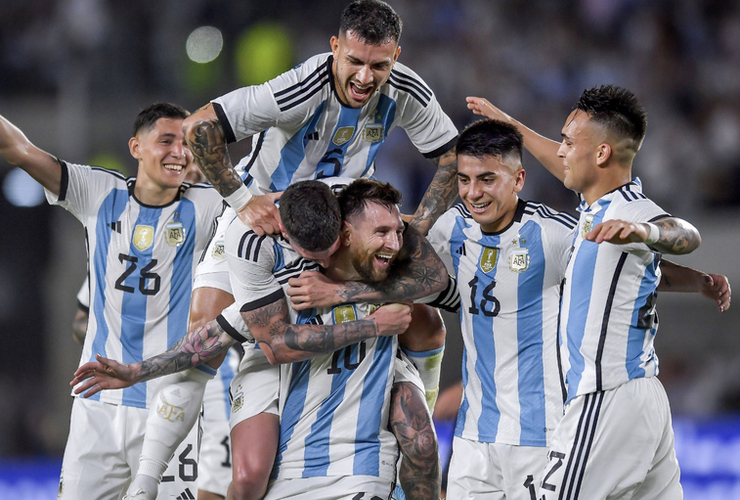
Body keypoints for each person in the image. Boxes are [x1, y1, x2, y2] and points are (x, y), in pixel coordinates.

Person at [72, 179, 456, 500]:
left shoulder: (369, 216)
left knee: (421, 420)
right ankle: (147, 480)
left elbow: (435, 282)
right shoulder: (259, 250)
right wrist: (136, 371)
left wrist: (343, 293)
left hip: (358, 421)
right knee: (249, 477)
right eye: (312, 252)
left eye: (395, 233)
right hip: (271, 341)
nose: (320, 260)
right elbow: (240, 338)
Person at [466, 85, 704, 498]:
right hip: (644, 396)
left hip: (603, 397)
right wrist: (509, 125)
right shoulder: (595, 208)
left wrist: (646, 230)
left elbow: (685, 233)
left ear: (601, 154)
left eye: (568, 141)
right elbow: (644, 270)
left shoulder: (629, 211)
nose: (560, 150)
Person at [0, 103, 225, 500]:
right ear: (136, 147)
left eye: (186, 143)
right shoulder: (99, 191)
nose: (180, 152)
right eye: (167, 140)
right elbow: (20, 149)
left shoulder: (208, 206)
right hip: (98, 406)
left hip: (169, 404)